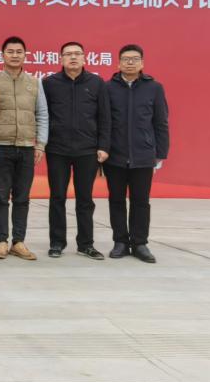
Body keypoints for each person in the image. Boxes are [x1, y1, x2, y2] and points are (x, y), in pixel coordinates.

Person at [0, 36, 48, 261]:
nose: (15, 55)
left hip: (27, 147)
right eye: (10, 51)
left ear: (25, 55)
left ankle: (18, 242)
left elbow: (42, 114)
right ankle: (1, 242)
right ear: (2, 55)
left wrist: (41, 144)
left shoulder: (35, 83)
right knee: (0, 196)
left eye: (19, 51)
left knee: (22, 197)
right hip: (1, 147)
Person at [42, 42, 110, 260]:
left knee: (85, 199)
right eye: (68, 54)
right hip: (57, 149)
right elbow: (42, 115)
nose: (73, 57)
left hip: (87, 150)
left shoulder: (97, 83)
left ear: (84, 57)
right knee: (57, 197)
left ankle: (86, 244)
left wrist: (103, 146)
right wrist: (41, 143)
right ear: (61, 58)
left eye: (77, 54)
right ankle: (57, 243)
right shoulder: (49, 83)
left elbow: (105, 117)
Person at [103, 44, 169, 263]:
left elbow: (160, 122)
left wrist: (160, 153)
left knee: (141, 201)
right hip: (115, 156)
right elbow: (103, 122)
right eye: (125, 59)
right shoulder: (107, 88)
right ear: (118, 63)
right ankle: (120, 242)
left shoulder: (154, 88)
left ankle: (140, 243)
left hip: (143, 155)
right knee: (116, 200)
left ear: (142, 63)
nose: (130, 62)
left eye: (134, 59)